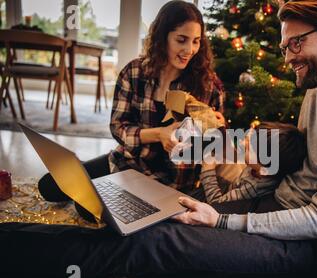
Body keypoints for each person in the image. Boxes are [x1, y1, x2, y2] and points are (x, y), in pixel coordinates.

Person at [0, 0, 317, 278]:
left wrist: (222, 222)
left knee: (151, 242)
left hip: (312, 257)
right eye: (284, 47)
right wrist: (241, 163)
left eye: (295, 45)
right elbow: (294, 158)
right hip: (273, 211)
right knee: (151, 218)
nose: (288, 58)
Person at [37, 0, 225, 202]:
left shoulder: (208, 85)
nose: (190, 49)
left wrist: (213, 131)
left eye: (196, 41)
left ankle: (102, 185)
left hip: (172, 184)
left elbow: (213, 152)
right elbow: (117, 127)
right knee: (50, 185)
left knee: (89, 210)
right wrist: (159, 134)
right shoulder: (134, 72)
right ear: (163, 38)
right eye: (181, 40)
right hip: (128, 164)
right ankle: (94, 174)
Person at [200, 122, 306, 204]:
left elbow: (216, 204)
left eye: (248, 149)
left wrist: (208, 171)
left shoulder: (252, 187)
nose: (242, 142)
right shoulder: (260, 168)